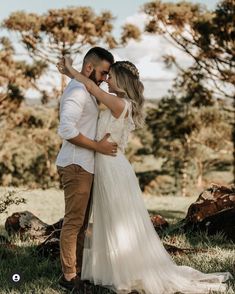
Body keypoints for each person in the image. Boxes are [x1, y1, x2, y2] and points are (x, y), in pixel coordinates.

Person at [57, 56, 232, 294]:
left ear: (122, 80)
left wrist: (71, 71)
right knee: (110, 222)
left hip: (112, 167)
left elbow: (90, 86)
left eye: (111, 76)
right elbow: (90, 87)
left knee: (120, 223)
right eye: (106, 75)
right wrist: (74, 76)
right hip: (107, 165)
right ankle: (112, 269)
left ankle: (127, 272)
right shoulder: (118, 101)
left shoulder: (121, 104)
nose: (107, 80)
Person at [56, 47, 118, 291]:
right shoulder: (77, 92)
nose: (104, 79)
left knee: (81, 223)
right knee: (73, 222)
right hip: (75, 164)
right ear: (90, 68)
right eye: (103, 73)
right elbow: (67, 130)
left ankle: (77, 273)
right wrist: (98, 147)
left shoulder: (85, 88)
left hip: (86, 165)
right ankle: (68, 278)